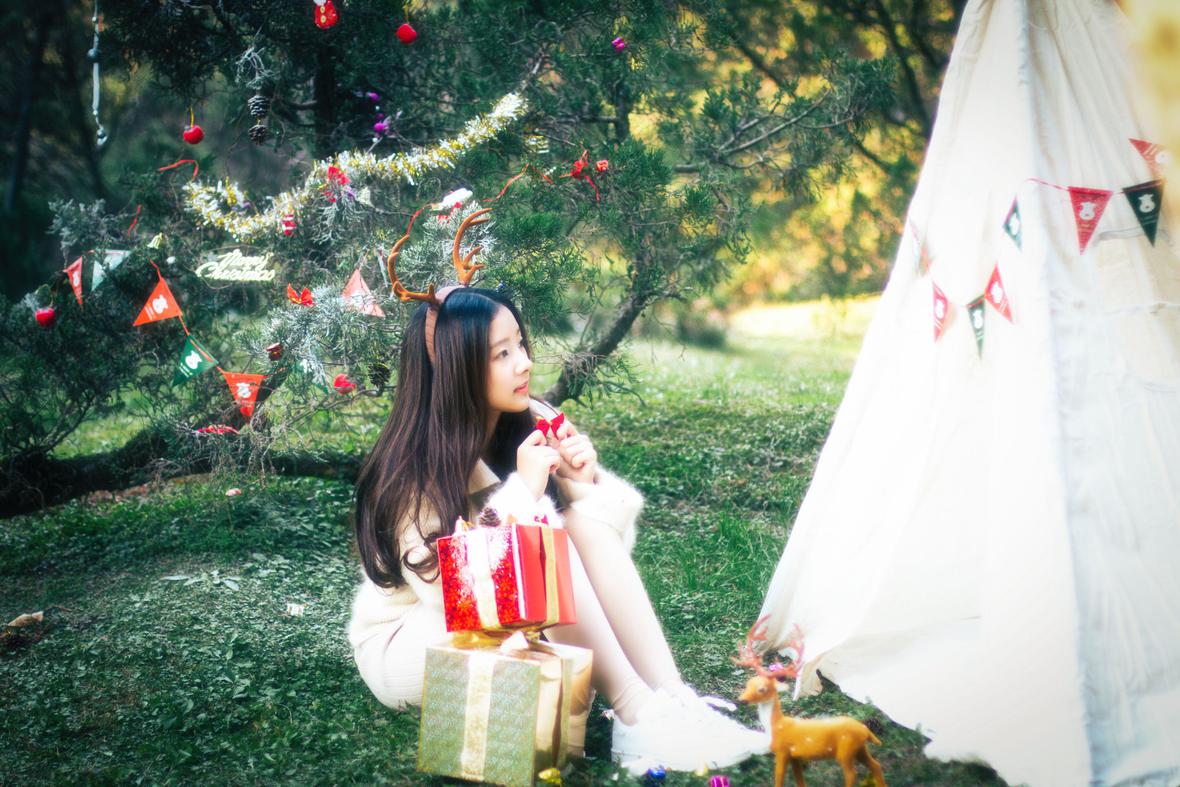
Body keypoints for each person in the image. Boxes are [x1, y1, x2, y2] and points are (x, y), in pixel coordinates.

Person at [348, 284, 766, 772]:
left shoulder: (529, 419)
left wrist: (582, 483)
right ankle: (634, 713)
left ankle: (671, 697)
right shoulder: (412, 470)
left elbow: (601, 548)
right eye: (502, 354)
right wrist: (524, 494)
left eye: (519, 345)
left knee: (570, 527)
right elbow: (454, 594)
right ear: (458, 370)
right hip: (415, 640)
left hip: (500, 620)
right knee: (541, 547)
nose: (524, 363)